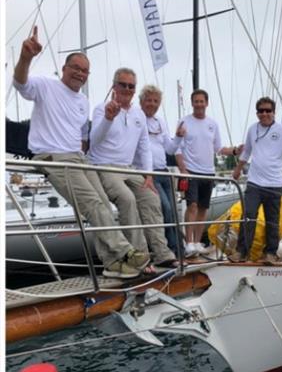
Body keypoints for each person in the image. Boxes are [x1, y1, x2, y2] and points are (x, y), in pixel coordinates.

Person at [12, 28, 149, 278]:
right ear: (64, 68)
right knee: (93, 204)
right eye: (75, 67)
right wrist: (26, 57)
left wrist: (107, 121)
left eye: (85, 71)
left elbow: (86, 139)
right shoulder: (45, 86)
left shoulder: (82, 102)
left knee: (103, 206)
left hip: (78, 158)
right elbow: (21, 83)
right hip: (54, 158)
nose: (80, 73)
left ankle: (112, 265)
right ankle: (126, 252)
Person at [89, 68, 177, 270]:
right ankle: (141, 258)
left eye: (131, 86)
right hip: (105, 166)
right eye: (123, 84)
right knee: (127, 199)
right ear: (114, 86)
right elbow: (94, 141)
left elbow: (144, 145)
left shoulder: (138, 114)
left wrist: (148, 175)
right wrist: (109, 118)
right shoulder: (102, 109)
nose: (127, 89)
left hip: (130, 168)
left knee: (151, 198)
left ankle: (162, 253)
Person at [229, 96, 282, 263]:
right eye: (261, 111)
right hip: (254, 182)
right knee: (248, 215)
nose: (264, 114)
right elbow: (246, 152)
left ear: (274, 112)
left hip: (274, 184)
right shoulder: (252, 129)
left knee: (273, 220)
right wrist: (237, 170)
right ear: (257, 113)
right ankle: (242, 252)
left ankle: (270, 253)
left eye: (268, 111)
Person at [174, 89, 240, 257]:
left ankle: (197, 242)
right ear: (192, 103)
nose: (199, 104)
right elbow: (177, 149)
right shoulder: (184, 122)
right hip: (191, 171)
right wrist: (183, 169)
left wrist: (234, 151)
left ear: (206, 103)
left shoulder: (213, 124)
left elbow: (218, 148)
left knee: (203, 208)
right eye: (196, 101)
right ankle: (188, 243)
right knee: (192, 206)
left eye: (201, 101)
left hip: (208, 172)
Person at [139, 84, 180, 253]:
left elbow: (170, 149)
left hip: (164, 172)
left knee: (173, 212)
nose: (152, 104)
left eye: (156, 101)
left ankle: (178, 249)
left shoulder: (160, 122)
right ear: (141, 101)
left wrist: (178, 137)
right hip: (149, 173)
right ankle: (168, 248)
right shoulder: (137, 118)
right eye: (149, 100)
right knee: (165, 208)